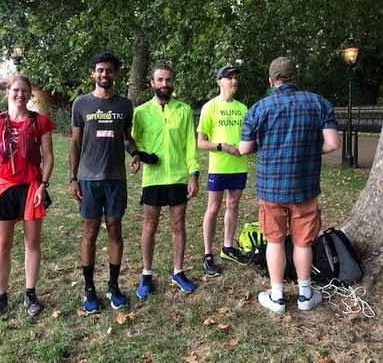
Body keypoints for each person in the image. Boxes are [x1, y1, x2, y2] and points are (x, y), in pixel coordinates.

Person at [239, 57, 340, 314]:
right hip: (305, 187)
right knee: (303, 242)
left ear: (271, 81)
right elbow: (332, 144)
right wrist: (308, 149)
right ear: (296, 78)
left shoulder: (259, 109)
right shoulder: (319, 103)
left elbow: (245, 148)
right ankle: (306, 294)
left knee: (274, 240)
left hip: (271, 188)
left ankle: (277, 296)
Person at [69, 52, 138, 315]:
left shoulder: (124, 105)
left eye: (108, 70)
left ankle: (113, 285)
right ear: (93, 73)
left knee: (114, 230)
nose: (104, 74)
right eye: (99, 70)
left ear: (114, 74)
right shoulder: (81, 104)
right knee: (90, 231)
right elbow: (74, 143)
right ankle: (89, 289)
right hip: (88, 178)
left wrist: (135, 154)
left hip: (116, 178)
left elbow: (126, 138)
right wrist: (73, 178)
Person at [0, 75, 55, 319]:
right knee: (2, 247)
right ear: (8, 92)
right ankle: (0, 296)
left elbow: (48, 156)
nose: (20, 94)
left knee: (32, 244)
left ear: (30, 94)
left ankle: (30, 293)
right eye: (16, 90)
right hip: (2, 189)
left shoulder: (40, 122)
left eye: (25, 91)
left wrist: (43, 185)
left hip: (32, 188)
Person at [131, 63, 199, 298]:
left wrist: (194, 174)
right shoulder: (140, 112)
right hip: (153, 178)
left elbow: (191, 144)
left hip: (178, 176)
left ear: (172, 83)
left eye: (168, 80)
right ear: (152, 83)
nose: (164, 84)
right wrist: (138, 156)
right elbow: (132, 141)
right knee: (150, 225)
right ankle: (146, 274)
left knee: (178, 224)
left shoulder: (184, 110)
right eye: (159, 80)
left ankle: (178, 272)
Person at [197, 66, 249, 277]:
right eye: (229, 78)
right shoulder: (210, 107)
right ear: (219, 82)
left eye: (236, 77)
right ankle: (208, 254)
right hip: (219, 167)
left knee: (233, 205)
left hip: (239, 165)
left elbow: (248, 136)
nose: (234, 81)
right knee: (213, 208)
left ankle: (227, 247)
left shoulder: (243, 108)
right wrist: (222, 147)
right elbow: (201, 142)